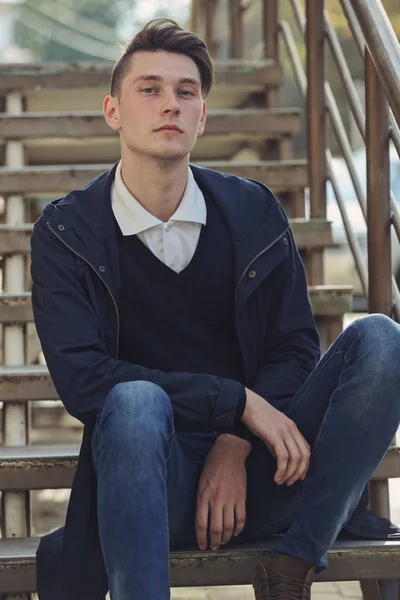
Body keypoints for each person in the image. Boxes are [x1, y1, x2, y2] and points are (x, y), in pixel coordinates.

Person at [31, 18, 400, 600]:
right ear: (113, 112)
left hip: (270, 473)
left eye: (186, 92)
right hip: (151, 481)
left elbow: (295, 348)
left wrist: (237, 439)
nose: (169, 105)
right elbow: (84, 382)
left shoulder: (252, 209)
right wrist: (236, 403)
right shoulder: (67, 232)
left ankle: (294, 568)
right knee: (132, 402)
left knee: (381, 339)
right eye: (149, 89)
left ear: (203, 115)